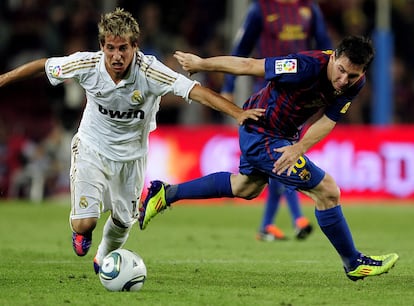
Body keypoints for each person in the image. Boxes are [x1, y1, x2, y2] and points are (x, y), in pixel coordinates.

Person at [0, 8, 265, 273]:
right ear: (102, 46)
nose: (117, 56)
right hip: (92, 147)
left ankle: (102, 258)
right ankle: (84, 227)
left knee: (124, 221)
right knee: (85, 224)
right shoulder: (87, 64)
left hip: (133, 156)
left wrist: (238, 113)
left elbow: (196, 92)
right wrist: (3, 79)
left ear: (135, 47)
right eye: (111, 48)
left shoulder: (150, 71)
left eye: (123, 48)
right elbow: (44, 66)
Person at [139, 35, 399, 281]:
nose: (343, 80)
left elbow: (328, 120)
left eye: (351, 75)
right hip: (260, 130)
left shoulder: (355, 83)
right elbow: (249, 65)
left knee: (246, 187)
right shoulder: (304, 65)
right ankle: (354, 263)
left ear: (362, 73)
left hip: (282, 138)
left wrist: (299, 147)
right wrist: (202, 64)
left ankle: (166, 194)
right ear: (333, 58)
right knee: (328, 191)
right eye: (340, 70)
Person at [222, 0, 333, 241]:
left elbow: (326, 46)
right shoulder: (260, 8)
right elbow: (243, 46)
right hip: (269, 93)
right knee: (281, 157)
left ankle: (268, 225)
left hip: (302, 96)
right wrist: (228, 85)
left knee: (281, 159)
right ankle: (296, 219)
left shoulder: (309, 8)